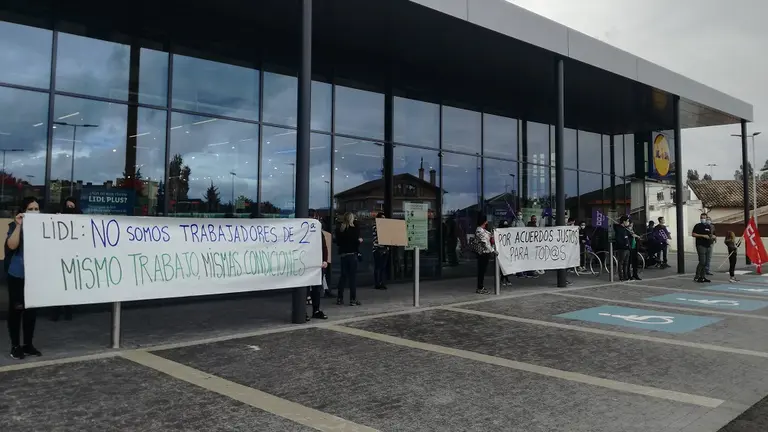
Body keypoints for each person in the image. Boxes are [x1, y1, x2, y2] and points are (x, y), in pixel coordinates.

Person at [5, 197, 42, 360]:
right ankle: (15, 345)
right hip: (18, 275)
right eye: (30, 209)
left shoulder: (43, 226)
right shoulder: (14, 226)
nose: (34, 212)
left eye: (36, 208)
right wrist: (19, 225)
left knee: (31, 312)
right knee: (16, 311)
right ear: (24, 211)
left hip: (35, 276)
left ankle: (28, 344)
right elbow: (11, 245)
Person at [52, 197, 80, 322]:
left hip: (72, 257)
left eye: (71, 207)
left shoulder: (80, 219)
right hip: (59, 256)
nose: (69, 210)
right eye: (67, 207)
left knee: (68, 286)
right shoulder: (59, 217)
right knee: (58, 286)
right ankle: (56, 311)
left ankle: (68, 311)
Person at [335, 212, 362, 306]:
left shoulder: (340, 229)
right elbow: (356, 242)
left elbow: (338, 243)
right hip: (352, 255)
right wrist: (359, 241)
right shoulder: (354, 229)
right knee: (352, 278)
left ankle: (340, 298)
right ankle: (353, 299)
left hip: (343, 255)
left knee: (343, 277)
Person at [306, 210, 329, 321]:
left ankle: (316, 310)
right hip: (305, 262)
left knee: (316, 288)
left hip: (316, 263)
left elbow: (324, 246)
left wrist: (325, 260)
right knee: (304, 288)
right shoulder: (303, 231)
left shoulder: (318, 232)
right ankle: (303, 311)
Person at [474, 214, 495, 294]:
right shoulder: (479, 230)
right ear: (484, 221)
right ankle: (480, 287)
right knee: (481, 270)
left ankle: (481, 286)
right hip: (482, 253)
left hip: (486, 253)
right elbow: (485, 243)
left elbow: (489, 235)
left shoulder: (484, 230)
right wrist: (493, 250)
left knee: (483, 270)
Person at [692, 212, 714, 283]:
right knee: (702, 261)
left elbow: (710, 234)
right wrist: (702, 236)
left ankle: (703, 276)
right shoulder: (697, 226)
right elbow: (693, 234)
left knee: (706, 262)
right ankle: (697, 276)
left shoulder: (708, 226)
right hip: (700, 245)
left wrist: (712, 237)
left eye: (704, 218)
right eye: (702, 218)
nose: (703, 219)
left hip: (708, 245)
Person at [372, 212, 389, 290]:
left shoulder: (385, 227)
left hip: (385, 249)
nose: (384, 220)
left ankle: (382, 283)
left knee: (383, 267)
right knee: (378, 267)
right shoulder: (376, 227)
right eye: (382, 218)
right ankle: (377, 283)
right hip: (377, 249)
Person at [614, 215, 632, 282]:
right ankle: (621, 277)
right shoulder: (619, 229)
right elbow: (618, 239)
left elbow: (628, 236)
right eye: (627, 221)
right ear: (624, 221)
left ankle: (626, 276)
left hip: (627, 248)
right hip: (622, 248)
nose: (628, 223)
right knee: (621, 262)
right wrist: (624, 245)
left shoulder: (625, 228)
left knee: (626, 263)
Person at [498, 220, 511, 286]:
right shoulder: (499, 232)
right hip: (501, 251)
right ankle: (505, 279)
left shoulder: (508, 232)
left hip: (507, 250)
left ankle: (504, 279)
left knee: (505, 266)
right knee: (503, 266)